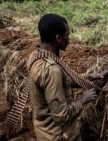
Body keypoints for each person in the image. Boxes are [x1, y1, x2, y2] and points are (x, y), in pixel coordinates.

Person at [28, 13, 101, 141]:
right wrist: (83, 100)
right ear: (58, 38)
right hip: (60, 136)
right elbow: (61, 116)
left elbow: (59, 81)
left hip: (44, 133)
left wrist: (87, 77)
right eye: (67, 35)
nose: (69, 39)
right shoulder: (51, 70)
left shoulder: (37, 56)